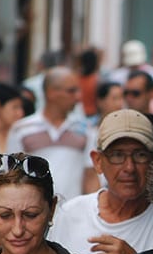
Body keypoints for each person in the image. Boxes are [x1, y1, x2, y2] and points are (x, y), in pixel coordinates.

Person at [49, 109, 153, 254]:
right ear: (98, 162)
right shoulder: (69, 215)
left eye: (140, 155)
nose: (129, 167)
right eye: (117, 155)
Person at [7, 66, 98, 200]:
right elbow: (13, 176)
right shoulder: (21, 129)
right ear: (51, 93)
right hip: (33, 214)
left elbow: (91, 175)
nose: (78, 97)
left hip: (73, 215)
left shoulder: (85, 130)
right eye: (71, 91)